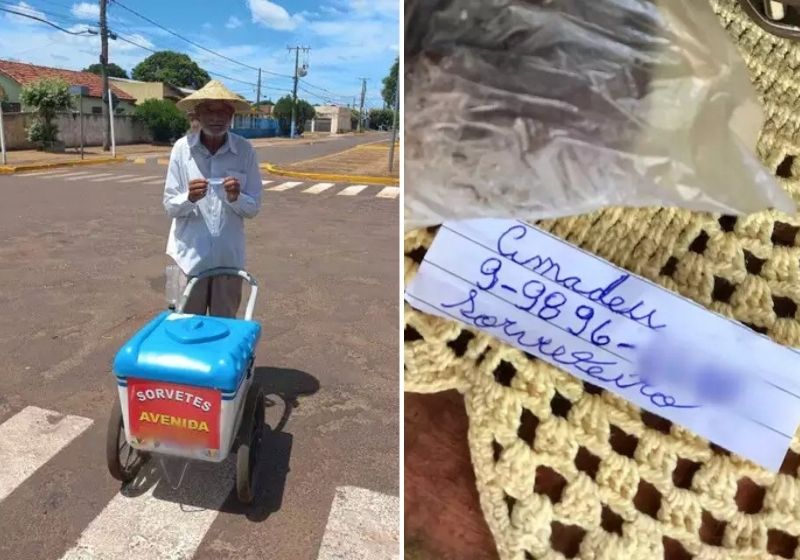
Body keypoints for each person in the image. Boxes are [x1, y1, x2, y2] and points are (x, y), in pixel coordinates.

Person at [163, 80, 263, 318]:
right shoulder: (181, 149)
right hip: (188, 260)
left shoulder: (245, 150)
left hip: (228, 260)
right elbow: (169, 206)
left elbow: (253, 208)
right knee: (187, 328)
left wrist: (236, 197)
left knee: (223, 328)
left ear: (232, 115)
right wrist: (189, 197)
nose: (216, 117)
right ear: (197, 113)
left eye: (224, 111)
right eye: (209, 110)